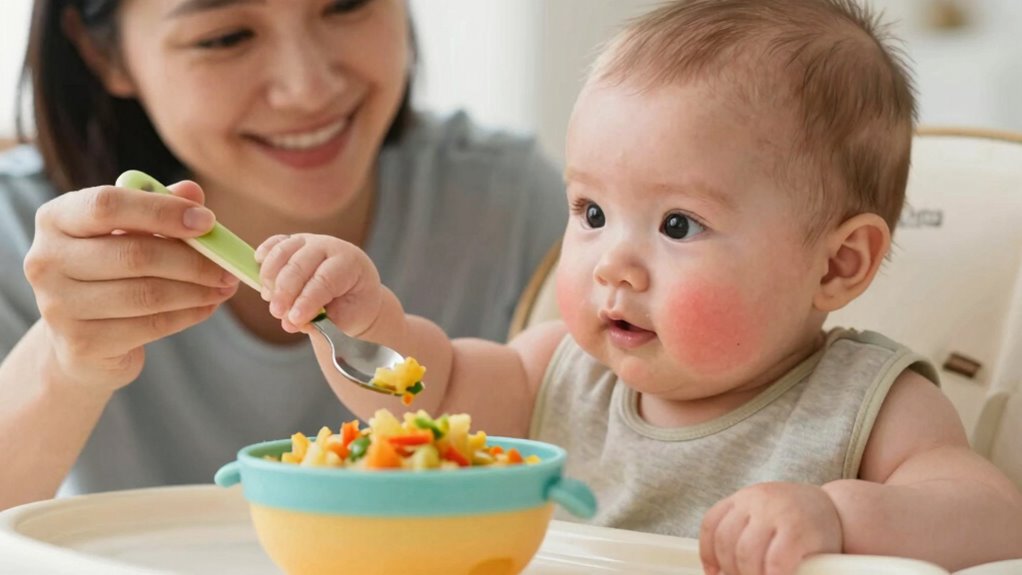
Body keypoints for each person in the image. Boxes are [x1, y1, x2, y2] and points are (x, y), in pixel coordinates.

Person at [257, 0, 1022, 573]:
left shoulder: (866, 402)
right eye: (591, 211)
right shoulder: (558, 370)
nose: (610, 263)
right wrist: (363, 321)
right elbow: (430, 388)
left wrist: (834, 514)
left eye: (679, 225)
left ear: (837, 265)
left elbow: (993, 515)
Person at [0, 0, 566, 509]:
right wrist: (64, 361)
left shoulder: (513, 204)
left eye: (346, 5)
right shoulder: (15, 227)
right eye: (225, 37)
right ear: (104, 53)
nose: (308, 88)